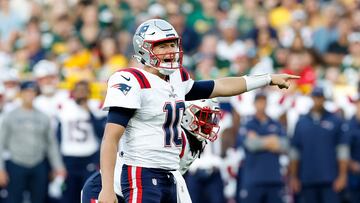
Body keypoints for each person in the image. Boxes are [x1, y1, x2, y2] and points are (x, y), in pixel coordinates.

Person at [99, 18, 299, 203]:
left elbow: (220, 86)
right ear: (144, 49)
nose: (170, 50)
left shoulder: (176, 79)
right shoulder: (132, 81)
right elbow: (110, 139)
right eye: (162, 46)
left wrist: (268, 79)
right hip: (141, 172)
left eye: (172, 44)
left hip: (172, 173)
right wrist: (106, 188)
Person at [82, 99, 221, 203]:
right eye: (203, 116)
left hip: (138, 191)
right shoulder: (172, 136)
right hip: (107, 188)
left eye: (210, 118)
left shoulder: (194, 141)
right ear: (186, 114)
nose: (208, 123)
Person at [0, 81, 66, 203]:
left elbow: (51, 143)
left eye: (32, 92)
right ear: (21, 94)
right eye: (27, 92)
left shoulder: (43, 117)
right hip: (16, 163)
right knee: (13, 199)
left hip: (38, 163)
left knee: (39, 198)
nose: (29, 95)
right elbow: (1, 143)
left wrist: (58, 166)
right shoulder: (10, 116)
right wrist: (1, 169)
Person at [289, 86, 349, 203]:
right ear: (311, 98)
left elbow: (342, 150)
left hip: (330, 179)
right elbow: (295, 152)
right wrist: (294, 177)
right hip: (307, 178)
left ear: (324, 99)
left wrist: (342, 175)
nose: (318, 100)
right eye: (315, 97)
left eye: (320, 97)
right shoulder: (302, 122)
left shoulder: (335, 120)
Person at [239, 92, 288, 203]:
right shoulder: (248, 123)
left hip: (274, 178)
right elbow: (250, 145)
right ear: (254, 103)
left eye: (263, 101)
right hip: (253, 179)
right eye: (259, 101)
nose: (261, 104)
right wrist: (272, 140)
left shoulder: (275, 123)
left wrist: (258, 140)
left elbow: (285, 145)